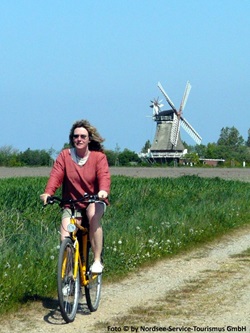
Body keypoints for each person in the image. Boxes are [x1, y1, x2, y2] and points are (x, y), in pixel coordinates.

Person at [40, 119, 110, 273]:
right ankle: (69, 275)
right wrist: (48, 193)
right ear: (72, 138)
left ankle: (97, 260)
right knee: (66, 236)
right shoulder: (65, 155)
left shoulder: (98, 157)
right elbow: (56, 175)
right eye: (76, 136)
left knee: (93, 216)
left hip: (94, 200)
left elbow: (104, 176)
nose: (79, 139)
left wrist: (103, 190)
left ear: (89, 139)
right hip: (72, 203)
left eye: (83, 136)